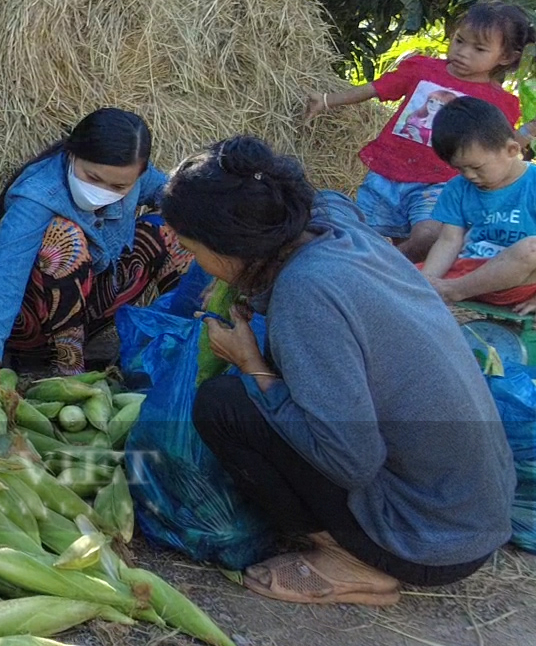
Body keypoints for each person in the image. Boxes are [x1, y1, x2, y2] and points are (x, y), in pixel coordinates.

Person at [167, 136, 511, 606]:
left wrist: (250, 364)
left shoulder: (307, 293)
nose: (195, 264)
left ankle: (353, 562)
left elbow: (351, 460)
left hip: (430, 542)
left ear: (233, 246)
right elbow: (321, 204)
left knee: (225, 407)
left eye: (194, 249)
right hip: (471, 512)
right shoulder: (332, 224)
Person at [0, 108, 190, 374]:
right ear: (72, 153)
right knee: (65, 236)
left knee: (171, 225)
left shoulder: (136, 176)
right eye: (93, 178)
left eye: (118, 187)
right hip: (34, 322)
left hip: (89, 309)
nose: (102, 192)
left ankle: (183, 343)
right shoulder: (37, 197)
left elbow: (172, 195)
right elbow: (4, 274)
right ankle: (67, 367)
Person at [307, 1, 531, 261]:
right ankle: (372, 267)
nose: (463, 52)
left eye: (479, 49)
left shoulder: (498, 103)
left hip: (437, 183)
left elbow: (501, 147)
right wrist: (326, 100)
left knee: (427, 236)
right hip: (386, 173)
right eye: (459, 41)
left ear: (505, 57)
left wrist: (528, 130)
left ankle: (381, 266)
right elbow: (376, 88)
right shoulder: (423, 70)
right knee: (361, 232)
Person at [420, 96, 536, 312]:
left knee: (532, 250)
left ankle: (453, 291)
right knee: (400, 277)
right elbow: (448, 241)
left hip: (521, 283)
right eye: (460, 169)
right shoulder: (458, 188)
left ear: (511, 150)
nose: (469, 175)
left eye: (476, 167)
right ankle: (445, 289)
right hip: (471, 272)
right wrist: (426, 282)